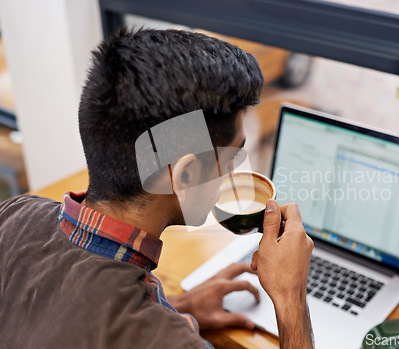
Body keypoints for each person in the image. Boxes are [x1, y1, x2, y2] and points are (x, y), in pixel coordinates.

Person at [0, 28, 314, 348]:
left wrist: (179, 305)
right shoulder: (166, 341)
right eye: (232, 157)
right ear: (186, 175)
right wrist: (291, 298)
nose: (234, 174)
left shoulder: (14, 213)